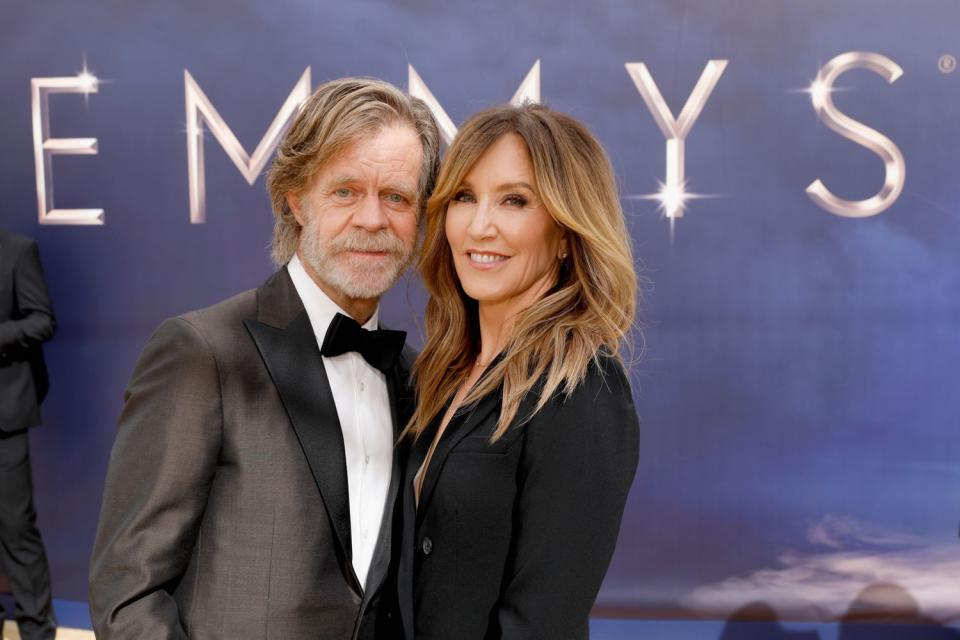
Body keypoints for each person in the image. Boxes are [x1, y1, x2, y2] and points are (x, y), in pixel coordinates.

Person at [89, 78, 440, 639]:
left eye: (396, 197)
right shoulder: (202, 352)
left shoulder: (417, 379)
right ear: (295, 199)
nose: (373, 220)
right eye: (346, 191)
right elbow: (128, 594)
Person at [397, 103, 640, 639]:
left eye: (514, 201)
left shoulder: (581, 387)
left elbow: (542, 622)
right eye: (464, 197)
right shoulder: (437, 377)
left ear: (564, 235)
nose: (480, 226)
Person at [0, 228, 58, 640]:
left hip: (5, 417)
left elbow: (42, 320)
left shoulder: (17, 251)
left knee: (16, 527)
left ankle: (37, 631)